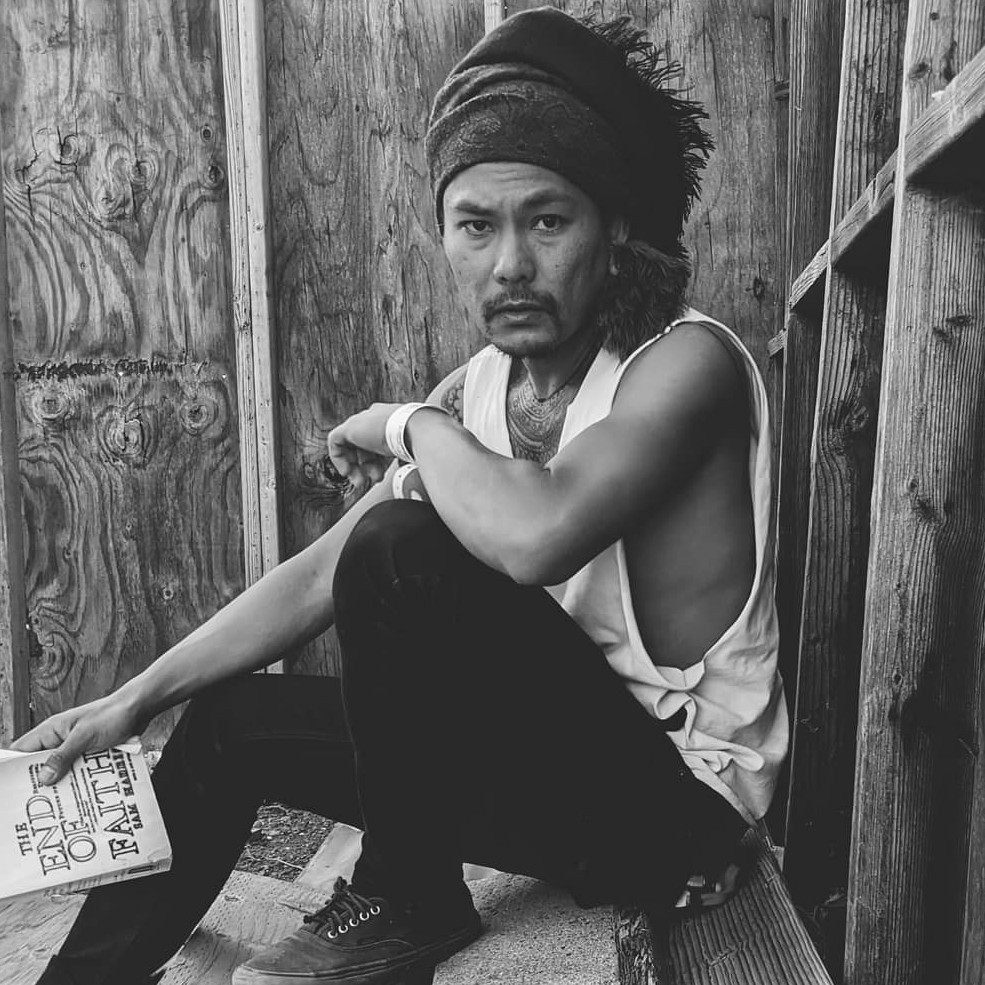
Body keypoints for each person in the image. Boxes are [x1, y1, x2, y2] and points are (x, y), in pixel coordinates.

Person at [13, 8, 788, 985]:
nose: (510, 264)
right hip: (552, 786)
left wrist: (405, 423)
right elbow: (317, 577)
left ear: (614, 226)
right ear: (445, 236)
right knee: (231, 721)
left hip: (675, 818)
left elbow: (538, 535)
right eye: (477, 226)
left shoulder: (684, 363)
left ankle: (408, 895)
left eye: (548, 220)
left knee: (400, 542)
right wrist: (128, 703)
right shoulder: (481, 393)